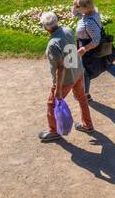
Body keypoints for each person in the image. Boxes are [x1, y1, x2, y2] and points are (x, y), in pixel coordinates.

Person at [39, 10, 93, 142]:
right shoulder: (68, 30)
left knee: (52, 104)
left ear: (46, 28)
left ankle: (53, 131)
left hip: (66, 80)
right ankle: (87, 124)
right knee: (82, 98)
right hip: (78, 72)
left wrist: (58, 89)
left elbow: (61, 68)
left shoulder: (53, 44)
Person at [72, 0, 115, 99]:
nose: (76, 8)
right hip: (99, 49)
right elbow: (75, 14)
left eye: (78, 6)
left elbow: (96, 40)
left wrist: (84, 49)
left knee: (84, 70)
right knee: (106, 64)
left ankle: (85, 94)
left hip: (90, 49)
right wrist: (75, 5)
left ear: (85, 7)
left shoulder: (89, 23)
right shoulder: (92, 12)